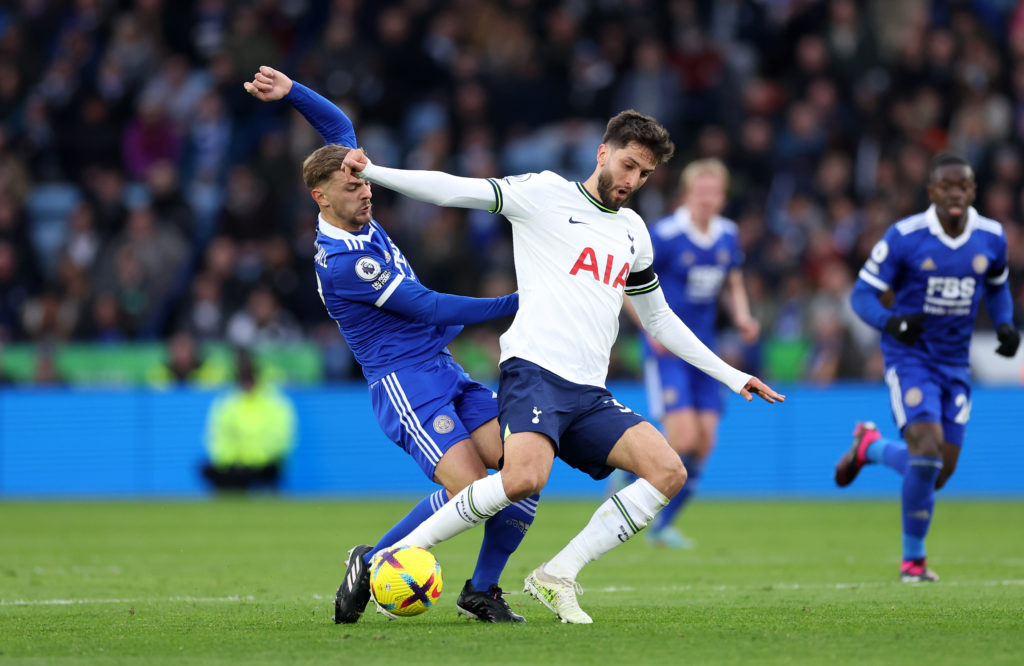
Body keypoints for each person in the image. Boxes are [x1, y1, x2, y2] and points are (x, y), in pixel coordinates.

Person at [342, 109, 784, 623]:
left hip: (588, 393)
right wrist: (374, 172)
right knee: (524, 478)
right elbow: (452, 190)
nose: (632, 180)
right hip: (534, 373)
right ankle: (387, 560)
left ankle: (557, 574)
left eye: (644, 174)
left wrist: (732, 375)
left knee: (668, 470)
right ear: (602, 153)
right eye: (627, 165)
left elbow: (659, 319)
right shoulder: (544, 194)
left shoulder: (635, 232)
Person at [243, 67, 539, 623]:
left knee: (524, 471)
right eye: (352, 187)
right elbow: (426, 306)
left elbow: (339, 125)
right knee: (471, 491)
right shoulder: (343, 263)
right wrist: (520, 302)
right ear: (320, 198)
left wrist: (292, 94)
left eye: (365, 182)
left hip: (443, 369)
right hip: (406, 386)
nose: (365, 192)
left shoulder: (357, 214)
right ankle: (375, 558)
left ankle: (483, 589)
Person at [835, 153, 1019, 582]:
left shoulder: (991, 236)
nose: (956, 193)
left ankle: (871, 449)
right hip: (910, 356)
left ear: (973, 191)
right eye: (947, 186)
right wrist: (891, 321)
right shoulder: (905, 236)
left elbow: (997, 287)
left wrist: (1006, 324)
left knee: (936, 471)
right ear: (932, 192)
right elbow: (863, 295)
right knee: (928, 447)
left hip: (956, 362)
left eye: (964, 186)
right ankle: (913, 562)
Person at [628, 158, 760, 549]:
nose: (707, 199)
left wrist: (743, 316)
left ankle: (663, 525)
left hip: (705, 348)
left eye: (714, 192)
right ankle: (629, 473)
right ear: (688, 193)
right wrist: (646, 327)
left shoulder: (727, 235)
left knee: (705, 444)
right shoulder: (666, 234)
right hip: (668, 348)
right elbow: (625, 284)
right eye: (701, 191)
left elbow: (732, 280)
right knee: (683, 438)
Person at [201, 347, 296, 491]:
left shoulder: (273, 400)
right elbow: (217, 436)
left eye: (249, 376)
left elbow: (282, 437)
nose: (246, 382)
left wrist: (257, 459)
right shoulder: (228, 402)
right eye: (242, 377)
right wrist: (231, 461)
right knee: (206, 469)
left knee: (270, 471)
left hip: (264, 465)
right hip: (235, 465)